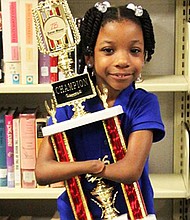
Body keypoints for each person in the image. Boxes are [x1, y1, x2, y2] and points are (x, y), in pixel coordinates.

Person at [35, 1, 165, 219]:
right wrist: (93, 166)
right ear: (89, 57)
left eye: (134, 50)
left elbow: (131, 170)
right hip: (76, 213)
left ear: (145, 54)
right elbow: (43, 172)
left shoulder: (143, 103)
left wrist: (80, 168)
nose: (122, 61)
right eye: (108, 50)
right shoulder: (69, 107)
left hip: (132, 213)